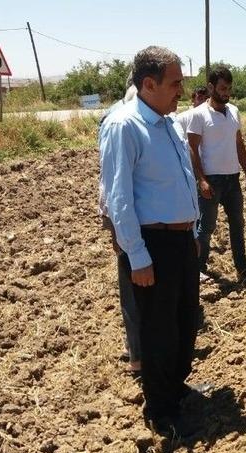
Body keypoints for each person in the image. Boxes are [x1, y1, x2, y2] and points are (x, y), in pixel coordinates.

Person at [99, 45, 202, 439]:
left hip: (179, 242)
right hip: (151, 245)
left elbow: (183, 182)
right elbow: (119, 197)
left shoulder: (169, 124)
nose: (181, 90)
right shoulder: (125, 126)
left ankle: (175, 389)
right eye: (175, 83)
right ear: (148, 83)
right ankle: (161, 412)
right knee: (158, 330)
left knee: (183, 322)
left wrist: (192, 233)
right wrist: (137, 256)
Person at [181, 66, 246, 283]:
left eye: (229, 88)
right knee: (207, 227)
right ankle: (199, 268)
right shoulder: (198, 115)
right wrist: (201, 179)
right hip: (211, 181)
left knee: (237, 224)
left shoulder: (234, 111)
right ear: (212, 87)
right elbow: (192, 148)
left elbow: (239, 144)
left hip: (232, 178)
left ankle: (242, 267)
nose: (226, 92)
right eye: (223, 88)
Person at [99, 74, 141, 375]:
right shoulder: (121, 120)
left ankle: (140, 351)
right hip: (126, 212)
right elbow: (116, 186)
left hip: (126, 210)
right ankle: (138, 355)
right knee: (133, 280)